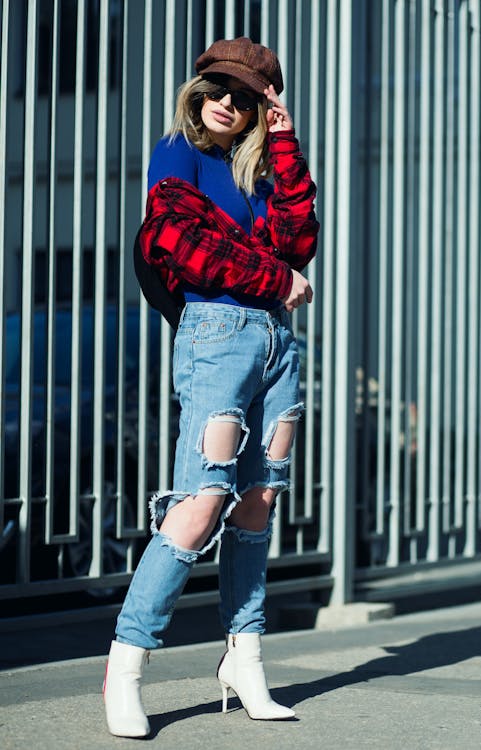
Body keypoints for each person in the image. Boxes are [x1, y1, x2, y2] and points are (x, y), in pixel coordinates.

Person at [103, 36, 319, 738]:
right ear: (197, 91)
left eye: (248, 97)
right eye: (218, 90)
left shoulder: (254, 168)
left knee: (258, 503)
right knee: (202, 502)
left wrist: (282, 146)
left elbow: (299, 237)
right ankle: (126, 664)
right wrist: (275, 278)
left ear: (264, 107)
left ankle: (244, 659)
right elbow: (179, 241)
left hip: (277, 345)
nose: (228, 104)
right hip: (218, 337)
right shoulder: (178, 152)